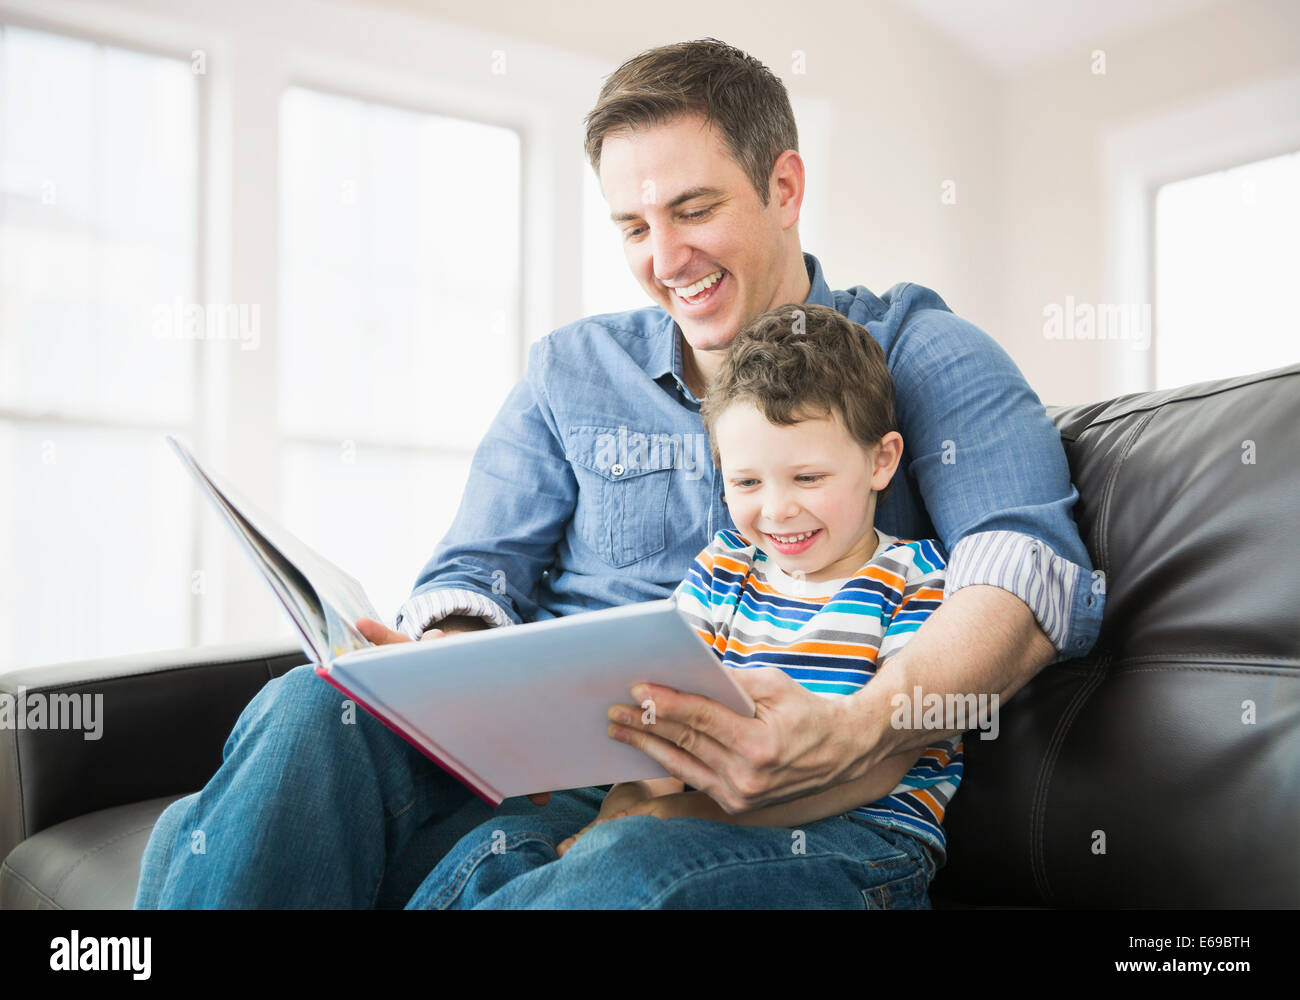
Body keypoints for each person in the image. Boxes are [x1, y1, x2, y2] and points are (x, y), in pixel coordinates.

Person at [134, 37, 1102, 909]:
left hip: (785, 792)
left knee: (626, 863)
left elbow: (1022, 566)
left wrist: (855, 727)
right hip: (557, 769)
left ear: (783, 188)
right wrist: (458, 670)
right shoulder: (571, 371)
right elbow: (471, 575)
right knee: (312, 705)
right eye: (633, 227)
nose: (665, 258)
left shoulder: (912, 349)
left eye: (692, 210)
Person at [398, 302, 961, 908]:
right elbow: (658, 725)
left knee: (641, 868)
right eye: (747, 482)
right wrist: (619, 815)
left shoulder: (920, 580)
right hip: (690, 818)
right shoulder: (723, 569)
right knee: (497, 852)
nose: (776, 511)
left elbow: (878, 766)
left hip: (858, 841)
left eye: (808, 478)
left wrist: (667, 820)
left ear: (881, 460)